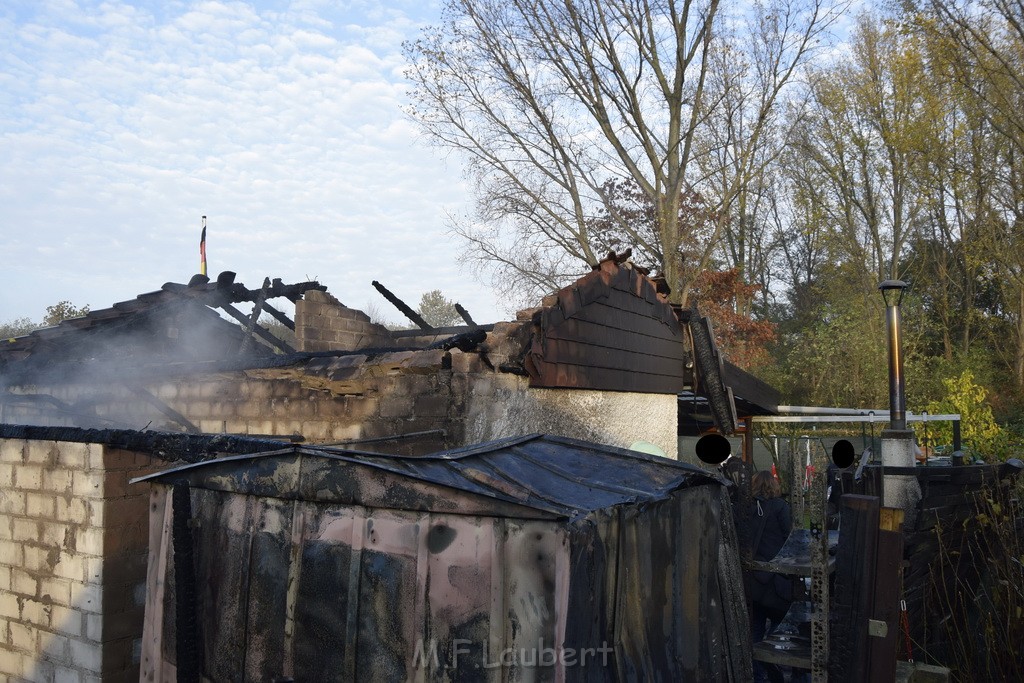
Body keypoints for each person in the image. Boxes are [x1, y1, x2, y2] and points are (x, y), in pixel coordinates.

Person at [747, 470, 794, 683]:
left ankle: (758, 675)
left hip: (755, 579)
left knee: (755, 631)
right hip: (776, 580)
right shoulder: (780, 507)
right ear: (773, 486)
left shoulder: (747, 508)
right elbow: (790, 537)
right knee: (778, 631)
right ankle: (776, 672)